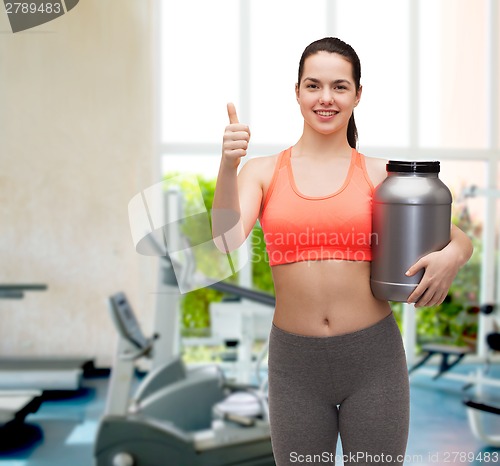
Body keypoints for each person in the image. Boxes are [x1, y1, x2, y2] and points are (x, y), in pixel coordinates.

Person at [211, 37, 473, 466]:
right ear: (296, 91)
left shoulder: (378, 174)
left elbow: (456, 236)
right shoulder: (262, 171)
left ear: (357, 94)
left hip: (373, 361)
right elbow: (225, 239)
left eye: (339, 86)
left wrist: (452, 257)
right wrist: (227, 165)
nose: (325, 98)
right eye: (313, 86)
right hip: (294, 365)